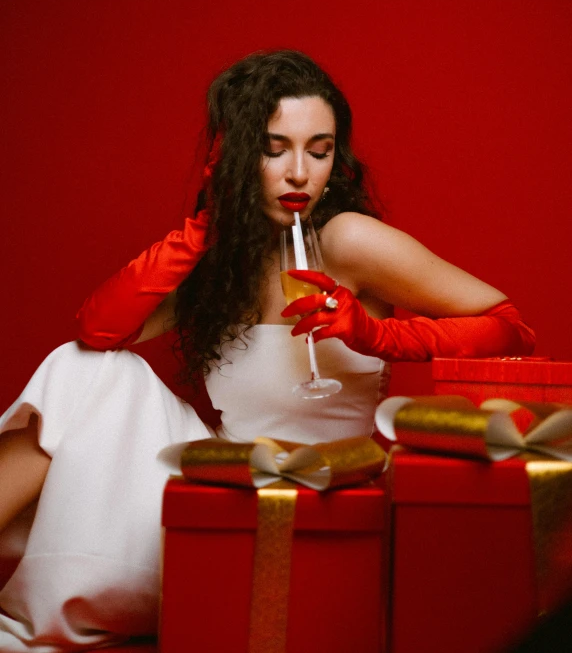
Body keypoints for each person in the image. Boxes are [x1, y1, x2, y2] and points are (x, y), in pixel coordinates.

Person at [0, 49, 535, 651]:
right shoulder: (223, 258)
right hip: (214, 479)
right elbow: (98, 331)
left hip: (315, 491)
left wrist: (377, 335)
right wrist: (205, 225)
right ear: (232, 157)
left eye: (320, 149)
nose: (300, 173)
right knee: (83, 370)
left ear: (339, 155)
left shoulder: (347, 239)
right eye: (273, 148)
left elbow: (509, 326)